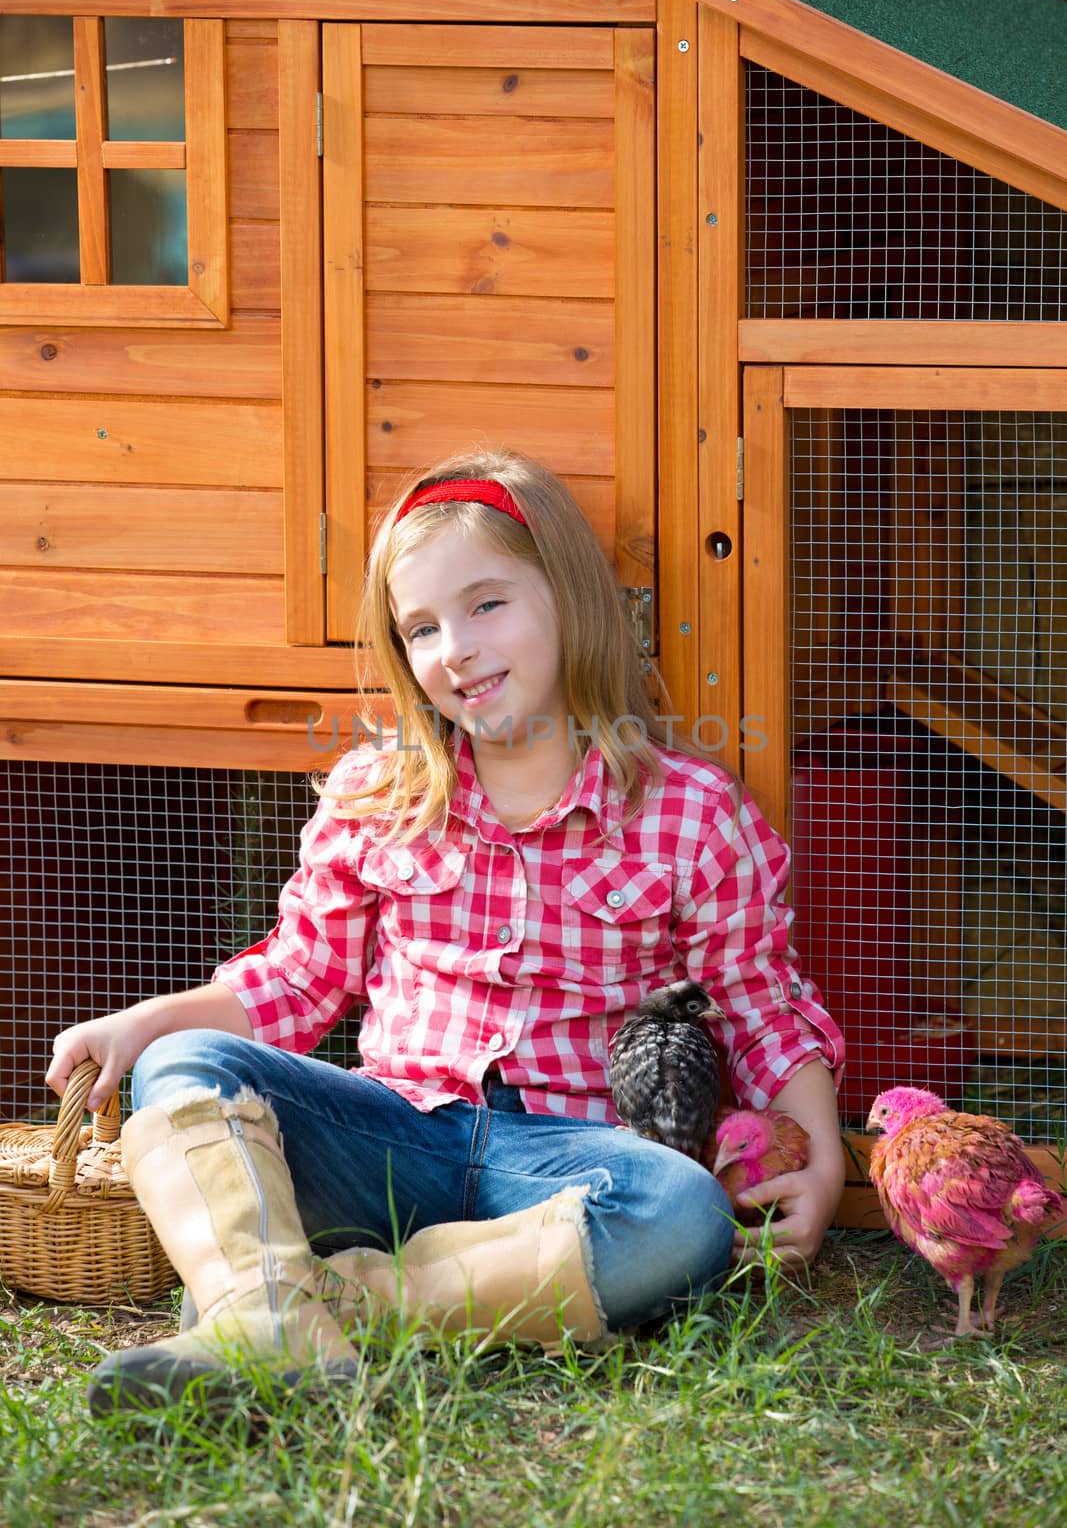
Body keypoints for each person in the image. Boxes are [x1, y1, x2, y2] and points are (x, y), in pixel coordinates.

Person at [48, 448, 845, 1415]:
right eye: (420, 627)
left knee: (681, 1215)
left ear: (569, 596)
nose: (454, 649)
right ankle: (273, 1318)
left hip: (567, 1167)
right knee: (185, 1062)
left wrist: (822, 1148)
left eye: (486, 605)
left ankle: (303, 1314)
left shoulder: (689, 811)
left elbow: (755, 1005)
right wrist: (146, 1025)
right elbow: (298, 982)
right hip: (387, 1138)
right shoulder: (379, 796)